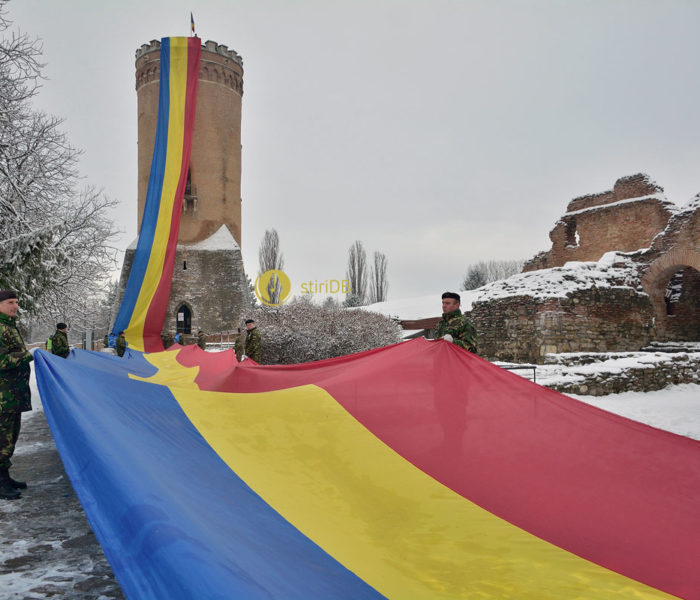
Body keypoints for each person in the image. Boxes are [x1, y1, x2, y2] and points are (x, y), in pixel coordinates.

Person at [0, 290, 33, 500]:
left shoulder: (9, 326)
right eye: (10, 302)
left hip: (13, 395)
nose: (15, 306)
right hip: (3, 397)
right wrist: (26, 355)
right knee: (2, 441)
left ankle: (5, 477)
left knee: (9, 440)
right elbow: (2, 361)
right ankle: (1, 483)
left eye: (17, 302)